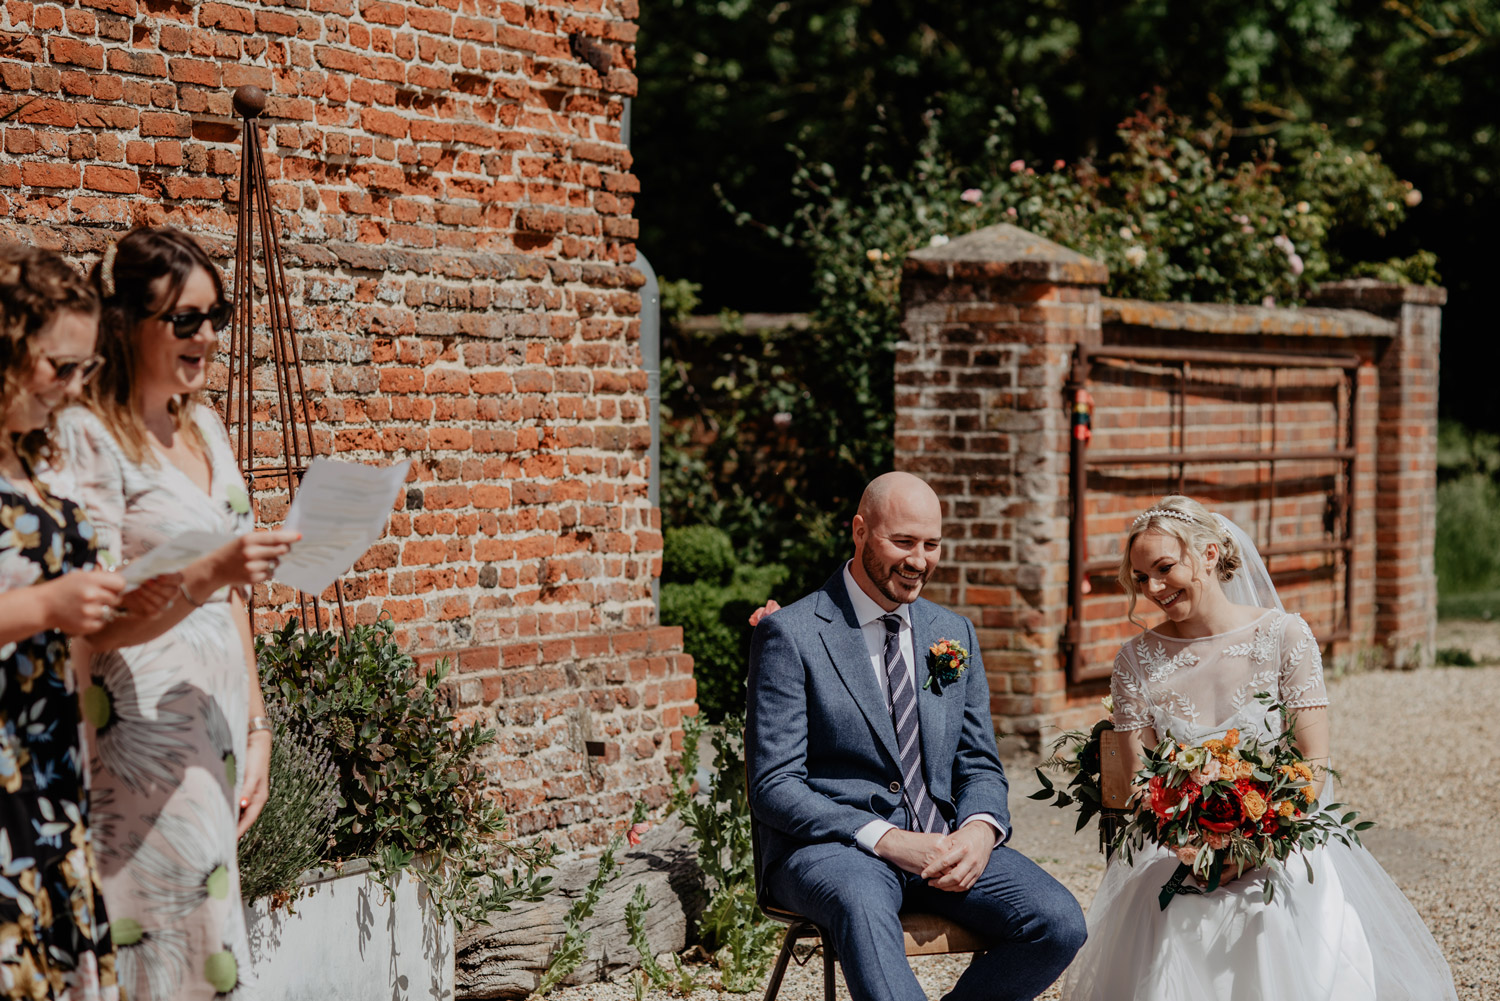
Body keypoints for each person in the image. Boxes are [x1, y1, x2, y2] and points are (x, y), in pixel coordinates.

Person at [1060, 494, 1458, 1000]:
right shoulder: (1135, 662)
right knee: (1175, 914)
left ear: (1209, 553)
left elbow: (1313, 764)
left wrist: (1256, 844)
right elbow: (1137, 784)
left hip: (1279, 846)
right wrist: (1187, 842)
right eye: (1140, 578)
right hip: (1181, 850)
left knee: (1267, 913)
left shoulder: (1284, 637)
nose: (1153, 589)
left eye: (1164, 569)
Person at [47, 228, 299, 1001]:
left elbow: (236, 596)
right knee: (157, 962)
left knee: (207, 955)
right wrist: (200, 576)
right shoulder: (88, 438)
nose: (208, 336)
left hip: (212, 734)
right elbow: (86, 620)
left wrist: (256, 725)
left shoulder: (209, 430)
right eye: (184, 320)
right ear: (126, 323)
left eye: (215, 314)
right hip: (135, 742)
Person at [746, 471, 1086, 1001]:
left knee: (1058, 922)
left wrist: (978, 830)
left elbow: (979, 763)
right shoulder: (791, 634)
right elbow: (775, 785)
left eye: (931, 544)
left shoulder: (952, 633)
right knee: (861, 902)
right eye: (902, 542)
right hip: (834, 848)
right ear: (860, 532)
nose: (919, 559)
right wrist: (888, 839)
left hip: (942, 844)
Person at [0, 244, 174, 1000]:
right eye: (57, 368)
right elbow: (44, 606)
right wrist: (46, 605)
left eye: (85, 370)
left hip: (51, 760)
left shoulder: (34, 458)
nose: (73, 389)